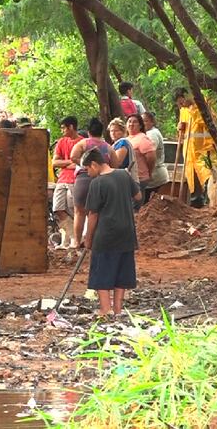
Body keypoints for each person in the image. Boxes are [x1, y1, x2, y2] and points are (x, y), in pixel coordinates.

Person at [81, 149, 142, 317]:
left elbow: (93, 214)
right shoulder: (124, 175)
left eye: (87, 169)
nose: (88, 173)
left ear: (94, 164)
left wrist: (88, 238)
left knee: (102, 272)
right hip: (127, 232)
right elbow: (138, 196)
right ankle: (118, 310)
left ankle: (105, 309)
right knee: (121, 272)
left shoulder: (97, 183)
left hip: (106, 234)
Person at [70, 117, 118, 246]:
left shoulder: (83, 143)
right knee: (96, 212)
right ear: (102, 132)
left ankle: (77, 242)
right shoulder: (108, 147)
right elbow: (115, 165)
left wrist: (85, 165)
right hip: (102, 180)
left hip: (83, 180)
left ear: (88, 131)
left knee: (79, 212)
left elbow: (73, 156)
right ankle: (93, 241)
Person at [174, 87, 216, 208]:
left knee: (207, 174)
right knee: (192, 177)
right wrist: (179, 127)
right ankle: (196, 201)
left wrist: (193, 109)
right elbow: (183, 131)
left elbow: (208, 122)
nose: (182, 105)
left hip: (203, 148)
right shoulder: (183, 110)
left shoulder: (203, 105)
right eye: (179, 103)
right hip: (188, 149)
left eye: (183, 102)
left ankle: (210, 202)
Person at [52, 116, 84, 248]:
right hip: (62, 179)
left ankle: (74, 239)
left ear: (71, 127)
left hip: (76, 179)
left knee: (73, 209)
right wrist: (70, 162)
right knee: (57, 208)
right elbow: (54, 162)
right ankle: (73, 237)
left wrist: (66, 164)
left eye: (64, 127)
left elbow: (82, 163)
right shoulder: (61, 142)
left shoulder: (83, 142)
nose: (62, 130)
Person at [125, 114, 156, 196]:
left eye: (135, 122)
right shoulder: (126, 139)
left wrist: (149, 172)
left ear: (140, 126)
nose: (131, 124)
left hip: (139, 178)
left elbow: (151, 158)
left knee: (136, 205)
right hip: (128, 178)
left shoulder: (142, 138)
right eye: (129, 121)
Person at [142, 111, 170, 200]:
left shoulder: (152, 134)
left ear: (152, 122)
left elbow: (149, 153)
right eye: (141, 121)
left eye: (145, 121)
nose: (143, 123)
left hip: (154, 176)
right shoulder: (146, 134)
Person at [108, 119, 140, 187]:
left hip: (123, 179)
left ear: (123, 131)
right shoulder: (115, 144)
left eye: (116, 131)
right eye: (111, 131)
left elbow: (117, 163)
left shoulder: (122, 143)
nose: (113, 133)